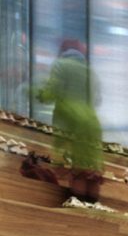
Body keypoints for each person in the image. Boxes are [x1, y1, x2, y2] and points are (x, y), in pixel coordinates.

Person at [34, 40, 104, 203]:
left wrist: (41, 95)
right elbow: (98, 100)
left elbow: (53, 91)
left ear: (62, 51)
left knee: (78, 171)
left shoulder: (61, 65)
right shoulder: (91, 72)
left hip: (71, 122)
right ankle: (92, 216)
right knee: (91, 173)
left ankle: (76, 213)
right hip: (92, 126)